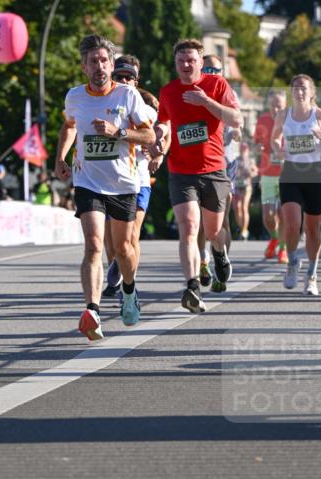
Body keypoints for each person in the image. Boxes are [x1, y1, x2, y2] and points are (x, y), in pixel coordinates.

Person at [55, 34, 155, 339]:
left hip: (123, 182)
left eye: (104, 61)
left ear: (111, 65)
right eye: (93, 61)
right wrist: (60, 157)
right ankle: (93, 310)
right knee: (94, 245)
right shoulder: (75, 97)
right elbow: (69, 125)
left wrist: (118, 131)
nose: (99, 66)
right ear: (84, 66)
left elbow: (149, 137)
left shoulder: (126, 96)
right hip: (87, 181)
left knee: (123, 249)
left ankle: (129, 290)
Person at [151, 39, 242, 313]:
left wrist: (206, 101)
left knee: (213, 230)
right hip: (181, 172)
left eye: (191, 60)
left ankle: (218, 250)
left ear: (201, 63)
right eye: (181, 61)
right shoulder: (168, 92)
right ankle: (191, 286)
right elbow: (163, 121)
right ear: (176, 64)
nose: (186, 65)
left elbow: (235, 119)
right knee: (189, 228)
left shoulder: (217, 86)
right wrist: (159, 135)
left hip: (214, 170)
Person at [270, 74, 321, 296]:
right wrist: (277, 147)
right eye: (295, 88)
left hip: (314, 174)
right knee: (292, 223)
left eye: (303, 88)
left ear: (312, 92)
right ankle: (291, 262)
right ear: (291, 92)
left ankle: (312, 274)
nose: (299, 92)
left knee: (312, 228)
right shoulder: (283, 115)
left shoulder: (319, 115)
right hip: (290, 172)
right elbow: (274, 138)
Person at [102, 55, 157, 299]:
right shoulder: (100, 100)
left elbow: (157, 135)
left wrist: (159, 151)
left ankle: (127, 281)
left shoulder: (146, 106)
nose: (124, 81)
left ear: (136, 81)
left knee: (131, 235)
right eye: (119, 77)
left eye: (129, 77)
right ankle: (118, 271)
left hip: (138, 180)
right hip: (104, 180)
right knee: (110, 241)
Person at [193, 54, 242, 293]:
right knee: (199, 221)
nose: (212, 73)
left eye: (217, 69)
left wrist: (236, 133)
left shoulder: (228, 92)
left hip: (225, 164)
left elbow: (238, 122)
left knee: (221, 221)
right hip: (197, 164)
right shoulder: (192, 91)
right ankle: (203, 261)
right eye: (208, 68)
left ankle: (221, 263)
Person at [253, 89, 288, 263]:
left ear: (285, 105)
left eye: (279, 106)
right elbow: (256, 145)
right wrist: (258, 149)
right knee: (268, 215)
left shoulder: (292, 121)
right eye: (273, 106)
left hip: (286, 175)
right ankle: (274, 237)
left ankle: (283, 249)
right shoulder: (262, 120)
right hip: (267, 174)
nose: (276, 110)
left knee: (282, 213)